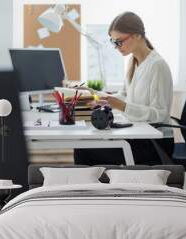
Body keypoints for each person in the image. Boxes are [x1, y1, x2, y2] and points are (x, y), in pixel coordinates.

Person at [74, 11, 174, 165]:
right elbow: (124, 95)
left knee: (83, 150)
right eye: (113, 42)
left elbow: (159, 115)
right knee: (84, 144)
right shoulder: (134, 62)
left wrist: (121, 105)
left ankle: (94, 188)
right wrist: (94, 94)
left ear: (137, 35)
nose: (116, 47)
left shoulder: (157, 66)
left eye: (119, 41)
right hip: (138, 136)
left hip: (154, 144)